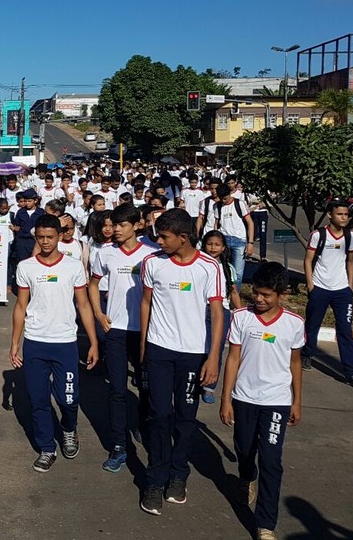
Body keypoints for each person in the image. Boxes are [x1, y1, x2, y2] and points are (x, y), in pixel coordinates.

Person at [139, 208, 225, 516]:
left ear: (183, 237)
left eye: (163, 237)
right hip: (159, 350)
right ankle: (154, 478)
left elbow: (217, 314)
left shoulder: (209, 267)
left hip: (192, 354)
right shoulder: (152, 263)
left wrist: (213, 357)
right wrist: (144, 347)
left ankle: (178, 475)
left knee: (185, 420)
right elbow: (146, 303)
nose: (158, 241)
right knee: (160, 415)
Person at [220, 262, 304, 540]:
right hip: (244, 397)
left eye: (266, 295)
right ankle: (246, 476)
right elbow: (233, 358)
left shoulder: (294, 323)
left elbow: (294, 363)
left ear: (281, 294)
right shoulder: (242, 317)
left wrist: (296, 401)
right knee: (245, 450)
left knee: (271, 460)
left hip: (277, 400)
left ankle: (265, 523)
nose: (259, 299)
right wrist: (226, 398)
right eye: (256, 293)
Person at [11, 215, 99, 473]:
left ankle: (69, 428)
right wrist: (15, 342)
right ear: (36, 237)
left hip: (65, 343)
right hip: (36, 342)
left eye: (51, 237)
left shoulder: (72, 267)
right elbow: (20, 306)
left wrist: (93, 342)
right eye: (41, 237)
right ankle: (47, 448)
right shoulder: (26, 267)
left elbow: (83, 304)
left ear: (60, 236)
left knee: (68, 399)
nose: (46, 242)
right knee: (38, 400)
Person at [89, 203, 151, 472]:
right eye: (112, 225)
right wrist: (99, 315)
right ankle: (118, 446)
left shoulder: (152, 254)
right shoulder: (105, 254)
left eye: (120, 225)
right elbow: (93, 284)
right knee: (116, 390)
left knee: (146, 387)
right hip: (115, 330)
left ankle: (142, 425)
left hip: (147, 333)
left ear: (137, 225)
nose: (114, 230)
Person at [301, 199, 353, 386]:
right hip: (320, 287)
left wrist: (349, 286)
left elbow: (350, 261)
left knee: (345, 331)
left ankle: (351, 372)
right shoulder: (318, 235)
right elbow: (308, 260)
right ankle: (307, 354)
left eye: (346, 214)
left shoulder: (351, 236)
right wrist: (311, 285)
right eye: (339, 214)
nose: (343, 217)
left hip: (342, 290)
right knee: (313, 324)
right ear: (330, 214)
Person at [199, 230, 243, 404]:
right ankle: (198, 377)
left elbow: (233, 292)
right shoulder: (199, 264)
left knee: (216, 349)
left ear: (224, 247)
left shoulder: (227, 268)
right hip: (202, 310)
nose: (213, 248)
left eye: (217, 245)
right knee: (202, 345)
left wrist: (239, 313)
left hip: (221, 312)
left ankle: (209, 386)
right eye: (210, 244)